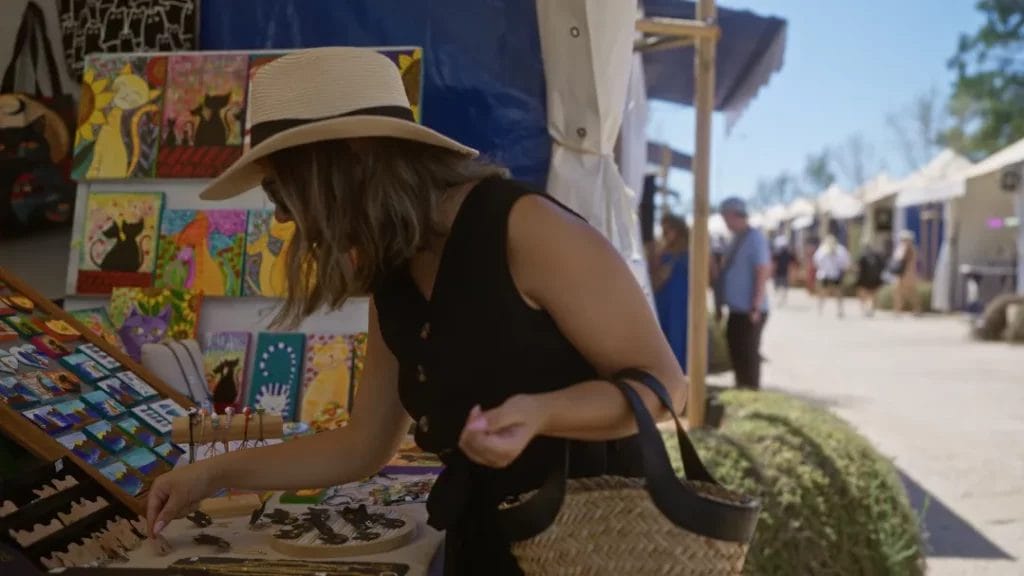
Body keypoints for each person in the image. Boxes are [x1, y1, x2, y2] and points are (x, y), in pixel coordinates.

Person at [143, 47, 687, 575]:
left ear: (351, 159)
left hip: (595, 542)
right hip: (489, 539)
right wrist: (213, 474)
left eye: (283, 191)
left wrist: (543, 412)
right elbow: (362, 445)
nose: (285, 218)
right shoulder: (396, 271)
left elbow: (665, 384)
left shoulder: (524, 228)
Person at [714, 197, 771, 390]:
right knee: (736, 350)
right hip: (737, 308)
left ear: (733, 215)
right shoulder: (737, 238)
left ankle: (750, 389)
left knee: (748, 353)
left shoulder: (755, 238)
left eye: (725, 217)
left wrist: (755, 305)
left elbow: (762, 270)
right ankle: (742, 387)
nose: (724, 222)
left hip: (750, 309)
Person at [652, 213, 690, 372]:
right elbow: (653, 278)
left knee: (681, 336)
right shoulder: (661, 250)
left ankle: (682, 373)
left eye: (669, 230)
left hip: (683, 301)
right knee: (665, 335)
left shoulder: (690, 250)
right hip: (664, 299)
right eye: (663, 229)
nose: (665, 233)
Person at [812, 235, 851, 317]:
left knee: (833, 293)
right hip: (828, 274)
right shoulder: (824, 249)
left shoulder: (838, 249)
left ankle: (824, 309)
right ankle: (823, 309)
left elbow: (816, 261)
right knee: (829, 293)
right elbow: (846, 263)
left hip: (829, 274)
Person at [891, 230, 921, 315]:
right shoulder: (911, 248)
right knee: (905, 292)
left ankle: (899, 310)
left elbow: (900, 259)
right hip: (907, 274)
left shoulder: (907, 249)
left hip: (906, 274)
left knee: (904, 292)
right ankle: (900, 310)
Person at [855, 239, 885, 317]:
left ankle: (864, 309)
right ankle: (871, 309)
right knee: (873, 295)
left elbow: (858, 268)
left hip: (863, 279)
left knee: (863, 294)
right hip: (874, 279)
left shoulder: (862, 256)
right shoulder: (877, 256)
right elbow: (882, 267)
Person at [771, 235, 794, 306]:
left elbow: (774, 264)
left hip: (779, 273)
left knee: (779, 288)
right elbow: (792, 264)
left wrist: (772, 272)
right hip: (784, 273)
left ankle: (780, 300)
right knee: (783, 288)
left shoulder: (777, 253)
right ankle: (781, 300)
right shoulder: (787, 253)